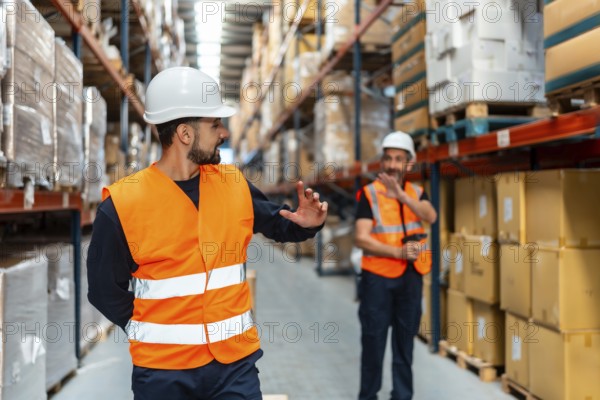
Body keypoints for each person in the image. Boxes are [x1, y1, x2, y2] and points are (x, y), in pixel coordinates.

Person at [87, 67, 328, 400]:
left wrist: (307, 223)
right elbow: (102, 289)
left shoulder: (233, 183)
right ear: (185, 134)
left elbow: (279, 222)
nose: (224, 133)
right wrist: (149, 328)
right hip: (163, 373)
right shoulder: (121, 205)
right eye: (215, 124)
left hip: (235, 367)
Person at [354, 131, 437, 400]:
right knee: (373, 345)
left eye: (398, 159)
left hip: (411, 280)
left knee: (405, 347)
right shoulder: (369, 194)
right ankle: (368, 396)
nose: (391, 164)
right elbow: (361, 239)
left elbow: (431, 216)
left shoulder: (416, 193)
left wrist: (400, 195)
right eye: (388, 158)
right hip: (377, 280)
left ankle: (402, 396)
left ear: (409, 164)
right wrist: (398, 252)